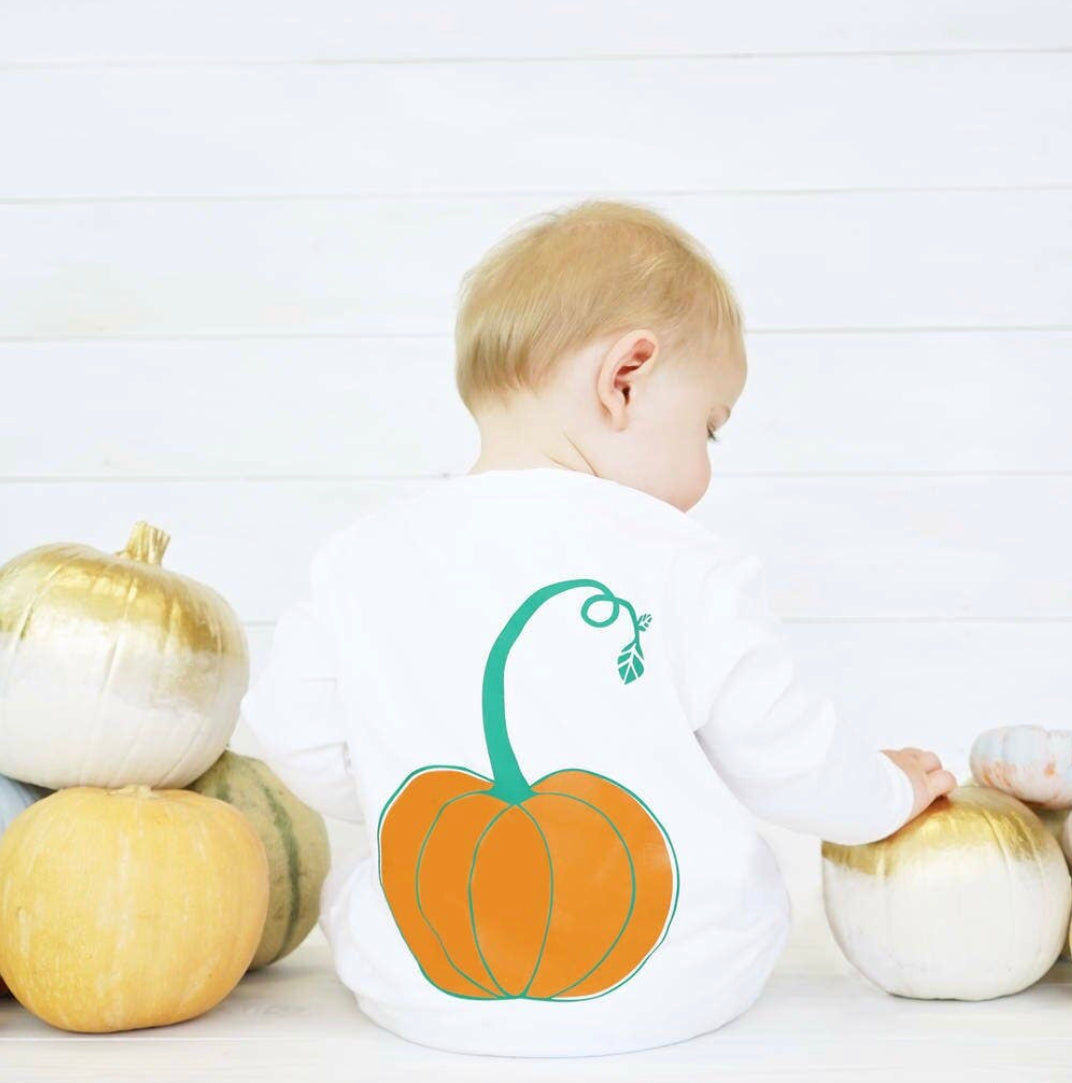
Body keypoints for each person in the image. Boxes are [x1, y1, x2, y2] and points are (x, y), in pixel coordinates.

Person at [239, 198, 956, 1058]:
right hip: (682, 988)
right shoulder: (685, 562)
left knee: (367, 894)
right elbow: (787, 758)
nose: (705, 469)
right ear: (627, 378)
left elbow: (295, 736)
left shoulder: (363, 556)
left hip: (422, 996)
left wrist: (409, 790)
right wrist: (886, 793)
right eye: (709, 428)